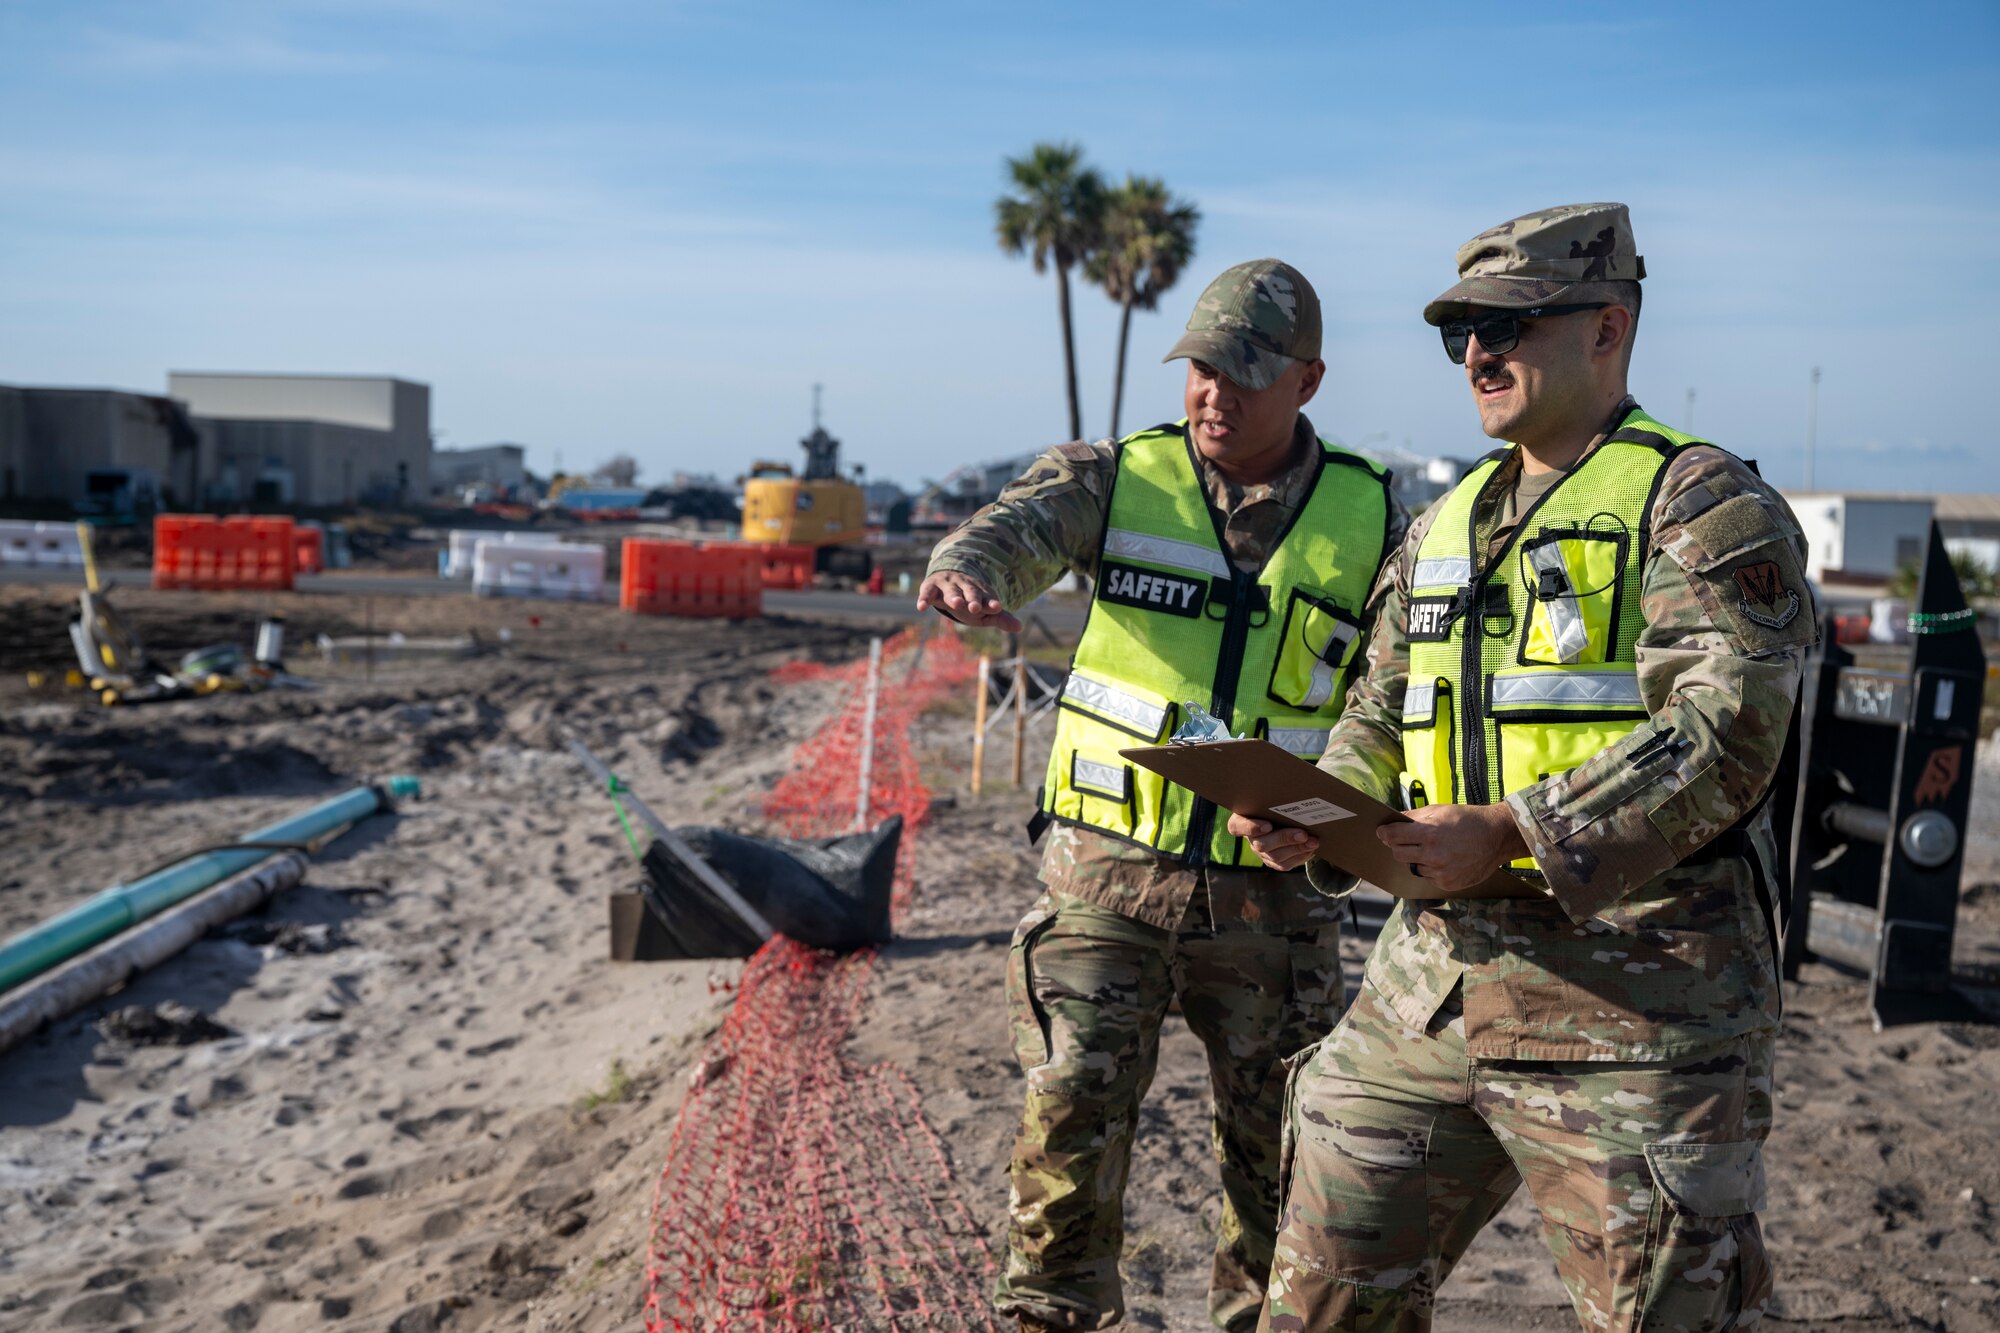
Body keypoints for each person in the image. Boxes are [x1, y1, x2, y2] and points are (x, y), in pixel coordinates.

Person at [1231, 203, 1811, 1330]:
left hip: (1637, 1011)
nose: (1476, 355)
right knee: (1314, 1302)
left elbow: (1729, 727)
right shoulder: (1442, 522)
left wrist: (1507, 829)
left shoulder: (1695, 502)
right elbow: (1385, 702)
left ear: (1606, 328)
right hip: (1429, 990)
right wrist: (1323, 808)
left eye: (1507, 324)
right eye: (1458, 332)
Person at [919, 258, 1410, 1332]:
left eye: (1242, 374)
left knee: (1280, 1163)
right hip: (1103, 883)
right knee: (1067, 1118)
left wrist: (1325, 816)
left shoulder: (1375, 517)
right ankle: (1049, 1315)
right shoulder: (1111, 476)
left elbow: (1396, 693)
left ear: (1307, 381)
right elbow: (1014, 526)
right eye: (1198, 370)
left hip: (1275, 908)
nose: (1212, 396)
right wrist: (971, 570)